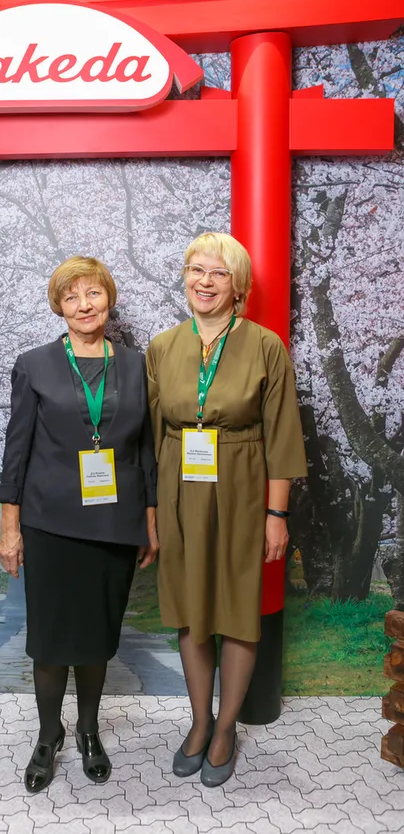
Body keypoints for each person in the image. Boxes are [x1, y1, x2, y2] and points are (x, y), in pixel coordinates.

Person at [146, 232, 307, 787]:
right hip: (179, 484)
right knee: (191, 607)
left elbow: (282, 435)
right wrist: (152, 511)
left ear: (239, 286)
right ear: (185, 277)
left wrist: (276, 516)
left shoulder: (265, 346)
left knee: (238, 606)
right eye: (197, 269)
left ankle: (225, 729)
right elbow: (149, 436)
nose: (205, 281)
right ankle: (198, 722)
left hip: (243, 485)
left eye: (218, 272)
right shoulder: (163, 346)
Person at [0, 256, 159, 795]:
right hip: (50, 523)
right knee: (49, 641)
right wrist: (10, 527)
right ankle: (49, 735)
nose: (84, 305)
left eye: (93, 294)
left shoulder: (136, 365)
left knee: (95, 638)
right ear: (59, 307)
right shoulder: (34, 365)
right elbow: (16, 451)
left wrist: (150, 518)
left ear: (108, 299)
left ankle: (89, 730)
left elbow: (146, 450)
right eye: (72, 297)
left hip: (115, 522)